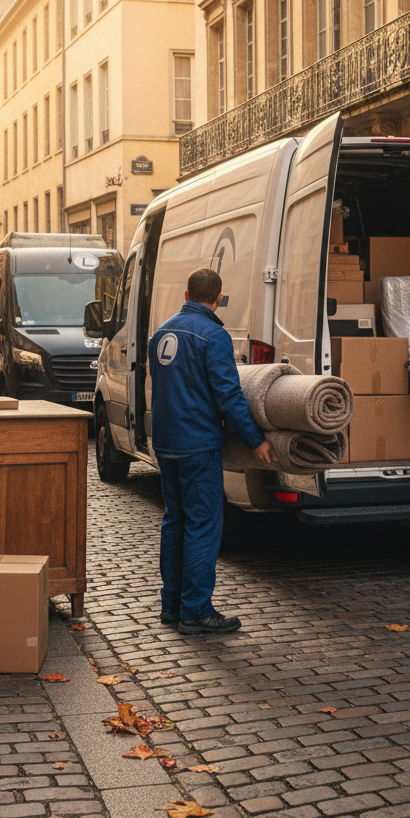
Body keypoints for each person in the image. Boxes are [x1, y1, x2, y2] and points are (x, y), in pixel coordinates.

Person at [148, 268, 277, 635]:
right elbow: (229, 396)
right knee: (203, 526)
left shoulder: (161, 332)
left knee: (175, 521)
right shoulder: (214, 335)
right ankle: (196, 610)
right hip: (198, 444)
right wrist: (256, 440)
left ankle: (171, 605)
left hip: (166, 442)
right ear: (217, 298)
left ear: (186, 294)